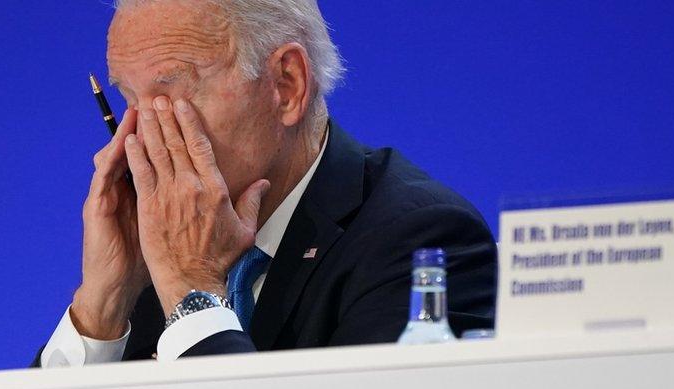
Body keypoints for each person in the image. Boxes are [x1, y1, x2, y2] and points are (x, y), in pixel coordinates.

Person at [35, 0, 496, 368]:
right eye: (127, 99)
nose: (137, 138)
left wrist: (190, 290)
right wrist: (101, 308)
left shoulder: (420, 242)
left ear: (286, 85)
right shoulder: (158, 248)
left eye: (170, 96)